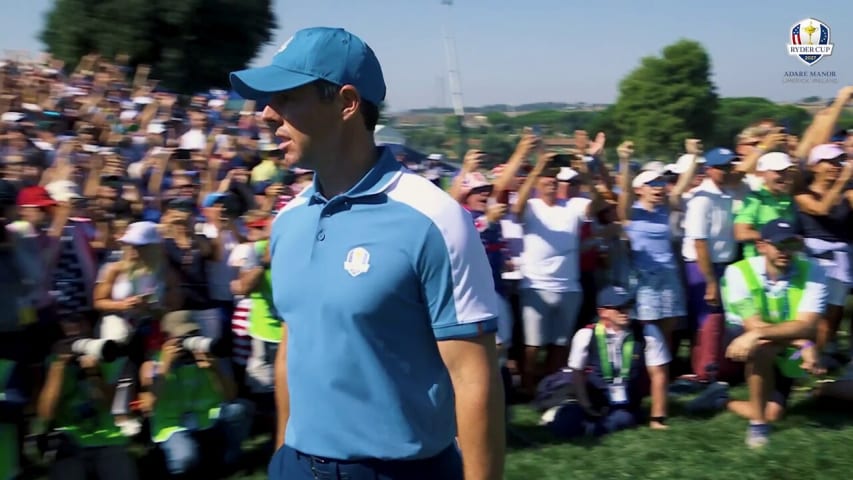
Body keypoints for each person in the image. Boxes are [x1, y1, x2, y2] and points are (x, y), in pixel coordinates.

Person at [230, 27, 504, 480]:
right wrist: (282, 451)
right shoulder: (288, 221)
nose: (265, 114)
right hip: (294, 465)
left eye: (285, 96)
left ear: (346, 103)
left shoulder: (434, 218)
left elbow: (474, 378)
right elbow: (292, 344)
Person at [695, 220, 827, 448]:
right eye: (779, 244)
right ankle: (757, 425)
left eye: (792, 244)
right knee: (763, 347)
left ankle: (720, 400)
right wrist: (802, 344)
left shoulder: (814, 270)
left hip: (771, 340)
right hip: (740, 340)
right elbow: (753, 326)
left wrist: (802, 338)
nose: (786, 251)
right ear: (761, 246)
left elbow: (808, 325)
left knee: (774, 413)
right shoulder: (738, 272)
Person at [543, 285, 670, 438]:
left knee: (621, 420)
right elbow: (577, 374)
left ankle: (591, 429)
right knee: (563, 426)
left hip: (626, 403)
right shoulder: (586, 335)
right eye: (619, 308)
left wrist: (657, 419)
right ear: (602, 312)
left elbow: (659, 375)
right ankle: (571, 419)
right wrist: (585, 405)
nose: (625, 312)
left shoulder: (647, 332)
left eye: (628, 306)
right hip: (594, 399)